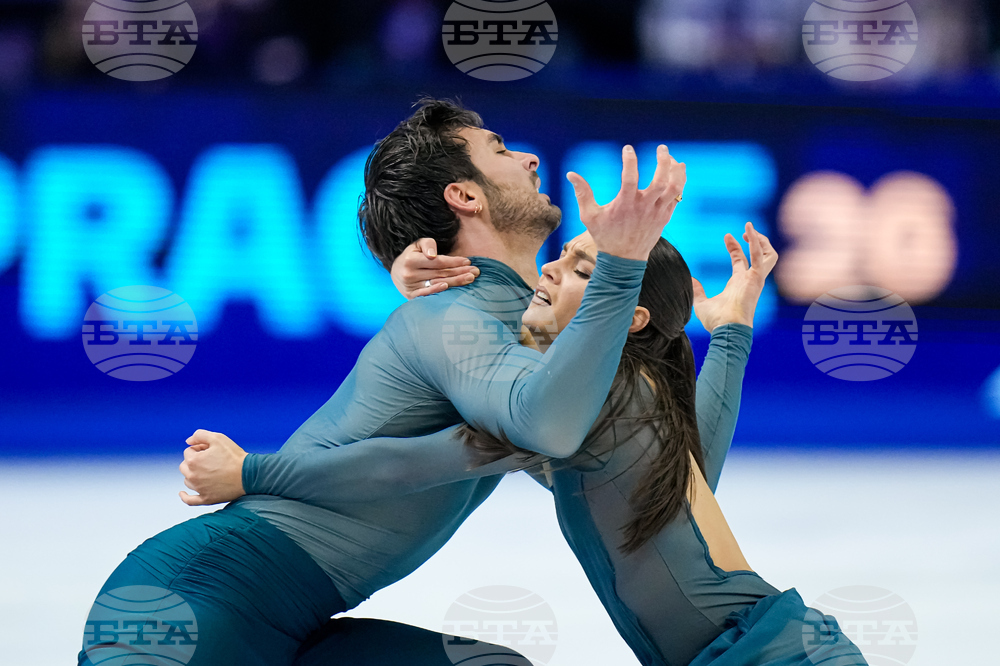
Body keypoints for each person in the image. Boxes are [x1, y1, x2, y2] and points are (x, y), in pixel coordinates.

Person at [78, 98, 688, 665]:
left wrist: (727, 337)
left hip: (288, 622)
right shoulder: (454, 317)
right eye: (501, 151)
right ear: (464, 196)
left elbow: (643, 472)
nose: (530, 158)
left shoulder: (498, 326)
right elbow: (547, 423)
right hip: (203, 593)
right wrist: (622, 268)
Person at [192, 228, 866, 665]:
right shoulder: (619, 400)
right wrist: (732, 334)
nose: (546, 270)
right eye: (563, 256)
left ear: (625, 318)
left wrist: (254, 472)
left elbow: (405, 466)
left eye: (579, 271)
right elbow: (694, 484)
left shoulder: (591, 400)